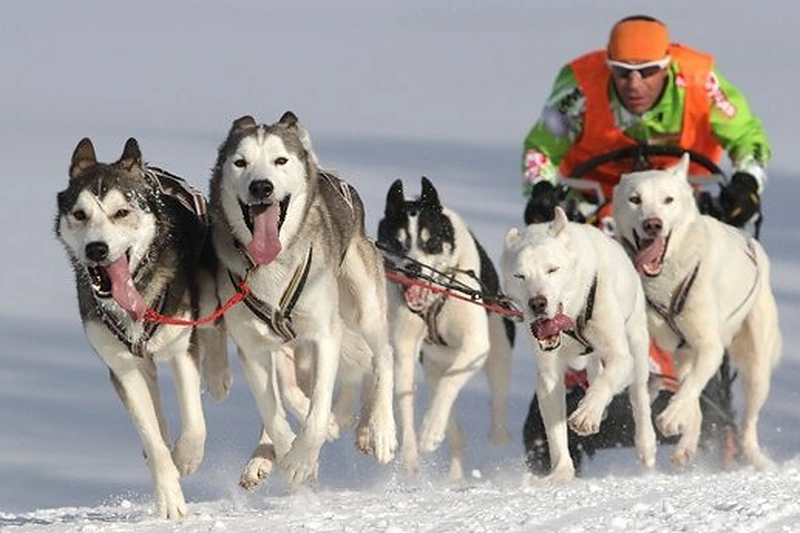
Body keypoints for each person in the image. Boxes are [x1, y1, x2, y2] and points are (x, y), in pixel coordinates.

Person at [521, 14, 770, 228]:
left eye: (648, 71)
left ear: (666, 65)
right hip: (595, 206)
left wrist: (747, 182)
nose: (634, 84)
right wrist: (540, 188)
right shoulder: (579, 86)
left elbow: (746, 136)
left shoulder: (701, 80)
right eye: (622, 71)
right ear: (608, 65)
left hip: (678, 202)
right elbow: (541, 148)